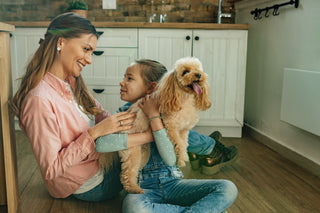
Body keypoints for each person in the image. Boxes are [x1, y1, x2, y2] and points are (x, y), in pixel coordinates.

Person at [9, 12, 146, 201]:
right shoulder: (39, 100)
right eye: (86, 49)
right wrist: (93, 134)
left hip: (100, 162)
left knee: (152, 131)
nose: (89, 59)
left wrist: (133, 119)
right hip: (91, 184)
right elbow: (51, 169)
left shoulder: (70, 82)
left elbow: (101, 116)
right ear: (61, 42)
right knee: (153, 158)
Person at [95, 59, 238, 212]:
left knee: (227, 188)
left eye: (129, 78)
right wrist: (148, 135)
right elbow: (101, 144)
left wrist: (154, 117)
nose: (121, 83)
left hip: (174, 184)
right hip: (143, 189)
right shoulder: (122, 114)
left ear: (152, 87)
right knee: (134, 209)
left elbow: (171, 159)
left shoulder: (172, 112)